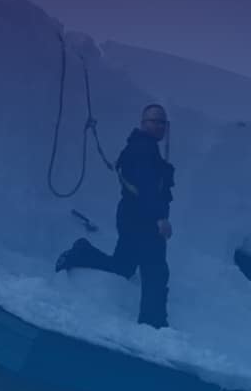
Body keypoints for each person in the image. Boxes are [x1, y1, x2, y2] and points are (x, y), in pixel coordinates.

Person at [56, 104, 174, 329]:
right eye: (154, 121)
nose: (159, 126)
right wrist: (159, 218)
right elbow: (146, 187)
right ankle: (153, 325)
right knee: (155, 271)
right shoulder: (143, 150)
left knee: (124, 265)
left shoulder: (144, 147)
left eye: (162, 122)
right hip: (143, 218)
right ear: (143, 123)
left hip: (131, 216)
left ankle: (83, 252)